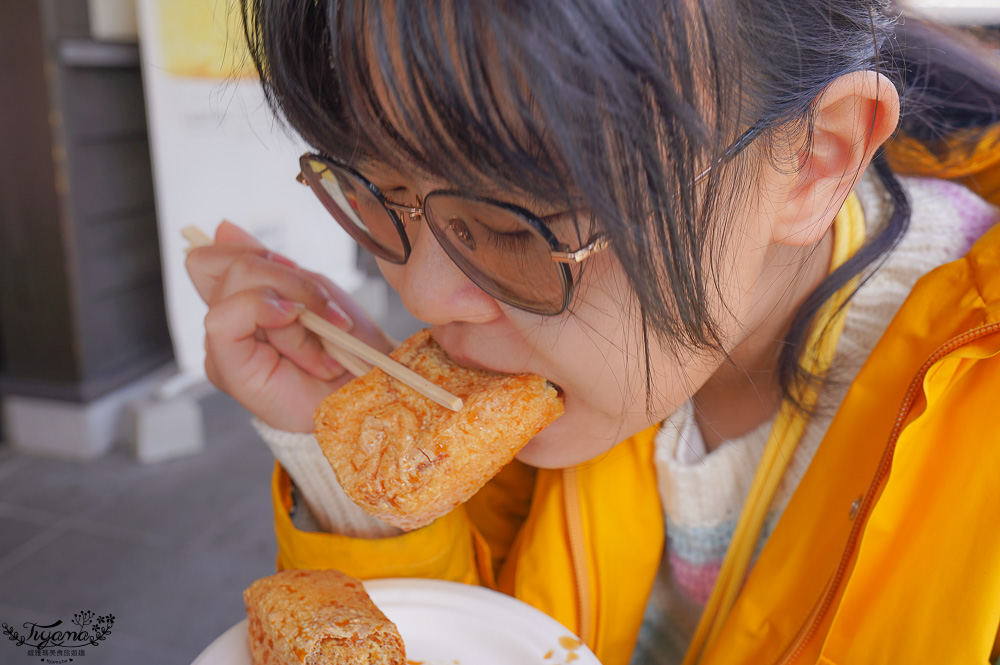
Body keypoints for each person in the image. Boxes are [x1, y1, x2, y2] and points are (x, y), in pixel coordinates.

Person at [185, 2, 1000, 664]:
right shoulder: (557, 369)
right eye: (373, 188)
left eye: (511, 228)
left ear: (813, 158)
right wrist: (361, 477)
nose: (429, 299)